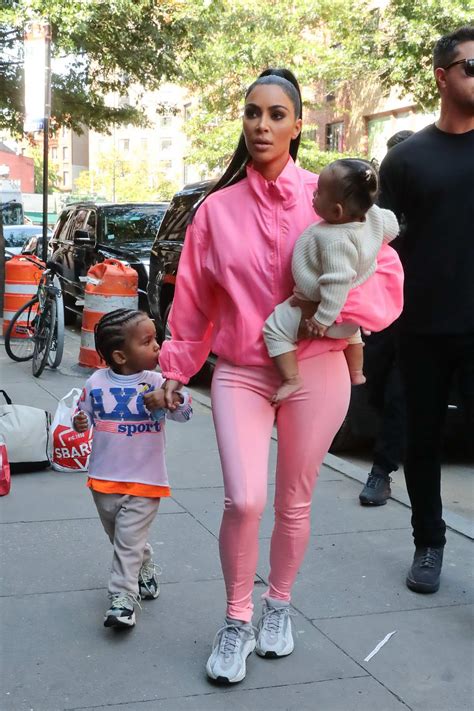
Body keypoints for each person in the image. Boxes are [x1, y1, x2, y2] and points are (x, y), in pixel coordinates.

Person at [160, 68, 403, 684]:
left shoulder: (329, 197)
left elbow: (385, 274)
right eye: (252, 113)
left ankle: (279, 607)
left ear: (297, 126)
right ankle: (236, 618)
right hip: (242, 371)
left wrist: (338, 314)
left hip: (318, 372)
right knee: (245, 499)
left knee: (295, 502)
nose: (262, 125)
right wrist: (173, 368)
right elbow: (193, 302)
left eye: (275, 115)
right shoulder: (215, 211)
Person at [377, 26, 474, 593]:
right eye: (470, 66)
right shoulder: (408, 161)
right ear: (442, 75)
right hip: (423, 328)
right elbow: (382, 247)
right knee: (424, 440)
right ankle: (428, 541)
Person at [73, 308, 192, 628]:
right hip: (103, 480)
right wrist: (79, 421)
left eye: (157, 339)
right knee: (122, 538)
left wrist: (171, 399)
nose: (158, 347)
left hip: (145, 480)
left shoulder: (158, 381)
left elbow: (185, 413)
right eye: (148, 341)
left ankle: (122, 599)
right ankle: (145, 563)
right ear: (120, 355)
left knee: (126, 540)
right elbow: (82, 414)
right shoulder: (96, 381)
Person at [263, 157, 399, 403]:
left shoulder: (334, 240)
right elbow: (393, 228)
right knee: (352, 334)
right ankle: (356, 372)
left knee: (274, 329)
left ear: (336, 211)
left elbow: (336, 283)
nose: (313, 195)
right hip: (351, 318)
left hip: (325, 312)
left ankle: (292, 378)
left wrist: (321, 320)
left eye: (318, 193)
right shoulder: (374, 217)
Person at [359, 129, 414, 507]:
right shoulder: (376, 207)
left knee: (399, 391)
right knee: (375, 384)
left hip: (418, 314)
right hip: (380, 314)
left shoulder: (429, 203)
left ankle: (382, 469)